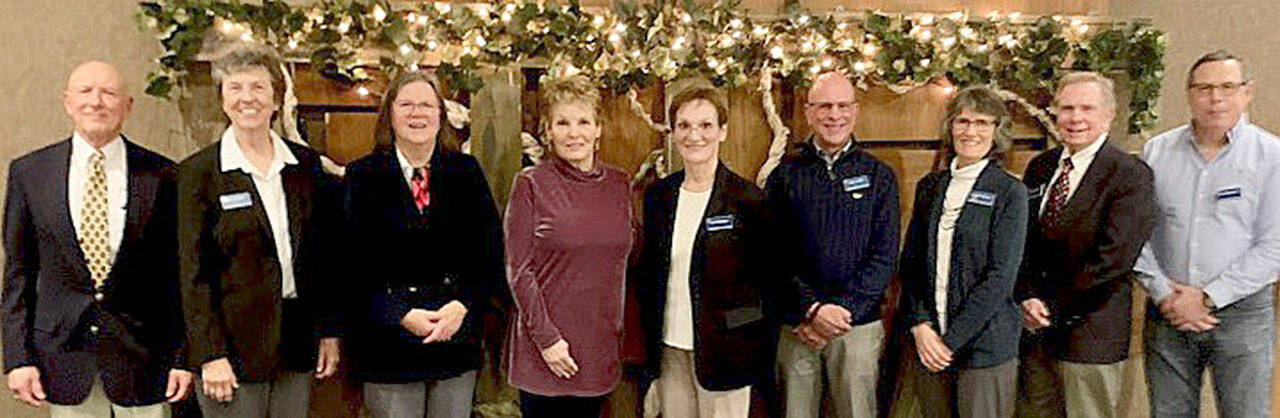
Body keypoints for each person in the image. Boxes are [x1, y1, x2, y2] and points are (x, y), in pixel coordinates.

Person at [2, 61, 193, 416]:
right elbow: (18, 273)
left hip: (144, 362)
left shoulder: (164, 175)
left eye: (109, 93)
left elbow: (178, 275)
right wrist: (17, 358)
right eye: (85, 91)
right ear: (67, 101)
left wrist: (183, 357)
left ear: (128, 105)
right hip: (62, 358)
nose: (96, 102)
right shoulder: (30, 173)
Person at [177, 45, 341, 418]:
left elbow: (324, 255)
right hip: (230, 352)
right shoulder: (197, 173)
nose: (247, 97)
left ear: (276, 99)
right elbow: (192, 273)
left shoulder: (305, 166)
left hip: (297, 341)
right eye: (235, 87)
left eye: (258, 87)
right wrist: (209, 354)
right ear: (222, 100)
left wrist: (329, 330)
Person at [342, 70, 505, 418]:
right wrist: (399, 313)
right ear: (390, 114)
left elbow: (490, 252)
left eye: (427, 105)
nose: (417, 113)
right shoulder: (362, 176)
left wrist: (463, 305)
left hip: (454, 338)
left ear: (441, 115)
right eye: (406, 105)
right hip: (388, 343)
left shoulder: (466, 172)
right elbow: (348, 264)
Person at [1136, 50, 1280, 418]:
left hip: (1242, 313)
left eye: (1227, 87)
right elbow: (1137, 233)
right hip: (1168, 311)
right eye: (1204, 88)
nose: (1215, 98)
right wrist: (1164, 293)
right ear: (1189, 94)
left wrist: (1208, 297)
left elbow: (1274, 246)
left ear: (1247, 92)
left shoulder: (1272, 155)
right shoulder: (1157, 152)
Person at [1015, 71, 1155, 418]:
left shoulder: (1129, 174)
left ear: (1109, 115)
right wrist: (1026, 297)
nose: (1075, 118)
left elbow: (1114, 259)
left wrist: (1052, 308)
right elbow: (1023, 242)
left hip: (1092, 332)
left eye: (1087, 108)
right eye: (1067, 108)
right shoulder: (1040, 167)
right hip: (1034, 332)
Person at [765, 70, 900, 418]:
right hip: (798, 326)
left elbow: (884, 256)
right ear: (809, 113)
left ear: (855, 111)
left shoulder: (880, 176)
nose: (834, 115)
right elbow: (772, 258)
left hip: (857, 325)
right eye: (824, 106)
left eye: (842, 106)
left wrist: (840, 313)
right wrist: (810, 311)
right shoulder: (784, 175)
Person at [638, 86, 773, 417]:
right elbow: (649, 275)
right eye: (684, 125)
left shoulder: (748, 200)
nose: (694, 135)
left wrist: (742, 337)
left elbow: (767, 284)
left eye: (705, 125)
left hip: (727, 356)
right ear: (673, 133)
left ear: (722, 131)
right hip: (670, 350)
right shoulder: (659, 197)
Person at [502, 74, 633, 417]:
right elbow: (519, 270)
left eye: (583, 122)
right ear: (548, 131)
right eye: (563, 123)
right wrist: (547, 340)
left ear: (598, 129)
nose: (574, 133)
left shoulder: (619, 184)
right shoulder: (530, 184)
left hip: (599, 350)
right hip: (546, 353)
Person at [898, 86, 1027, 417]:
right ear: (951, 126)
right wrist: (920, 325)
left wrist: (950, 341)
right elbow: (911, 265)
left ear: (997, 131)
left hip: (984, 349)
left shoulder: (1010, 192)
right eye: (963, 121)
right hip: (928, 344)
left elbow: (1000, 278)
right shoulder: (930, 187)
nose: (971, 132)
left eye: (982, 123)